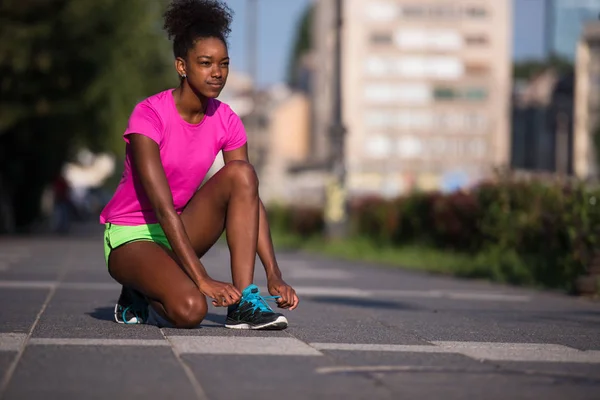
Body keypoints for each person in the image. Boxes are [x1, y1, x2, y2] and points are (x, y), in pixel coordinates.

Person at [99, 0, 299, 330]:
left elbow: (248, 197)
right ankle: (138, 284)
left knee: (243, 174)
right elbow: (162, 209)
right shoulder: (148, 115)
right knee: (191, 311)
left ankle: (244, 303)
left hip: (181, 228)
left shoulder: (227, 119)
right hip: (133, 235)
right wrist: (203, 280)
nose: (217, 72)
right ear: (182, 66)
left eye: (223, 63)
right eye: (205, 63)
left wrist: (274, 274)